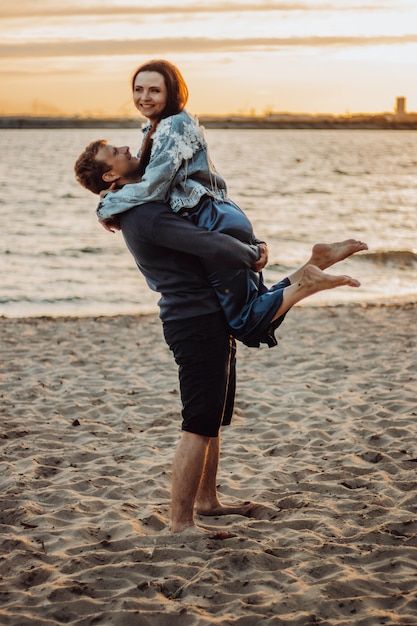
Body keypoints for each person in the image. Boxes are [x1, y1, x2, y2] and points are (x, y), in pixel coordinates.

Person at [88, 60, 367, 348]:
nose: (144, 97)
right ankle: (314, 263)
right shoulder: (153, 128)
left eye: (154, 90)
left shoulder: (174, 125)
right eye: (138, 89)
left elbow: (154, 186)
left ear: (172, 92)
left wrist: (108, 204)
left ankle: (307, 280)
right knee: (253, 305)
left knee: (244, 322)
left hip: (209, 217)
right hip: (217, 214)